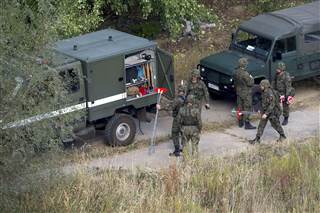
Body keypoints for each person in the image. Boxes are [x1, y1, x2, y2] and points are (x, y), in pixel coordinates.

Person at [249, 80, 286, 144]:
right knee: (261, 125)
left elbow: (272, 104)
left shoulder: (270, 93)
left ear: (265, 86)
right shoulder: (264, 92)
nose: (260, 87)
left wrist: (266, 114)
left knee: (276, 125)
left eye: (262, 85)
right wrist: (260, 110)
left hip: (272, 112)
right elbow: (264, 103)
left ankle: (282, 136)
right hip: (266, 111)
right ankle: (257, 139)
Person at [157, 85, 186, 156]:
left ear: (178, 91)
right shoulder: (185, 98)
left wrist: (160, 107)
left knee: (175, 133)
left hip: (178, 119)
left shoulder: (177, 99)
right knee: (183, 133)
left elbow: (171, 107)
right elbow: (172, 103)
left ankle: (177, 151)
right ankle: (185, 149)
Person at [233, 57, 256, 129]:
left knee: (240, 107)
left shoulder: (236, 72)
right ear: (244, 65)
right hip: (246, 93)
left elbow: (235, 82)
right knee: (247, 107)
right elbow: (250, 83)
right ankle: (247, 123)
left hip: (239, 92)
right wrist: (252, 78)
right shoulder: (245, 74)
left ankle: (240, 122)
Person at [272, 61, 295, 126]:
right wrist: (272, 91)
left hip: (284, 93)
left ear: (282, 69)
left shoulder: (286, 76)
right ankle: (276, 117)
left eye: (278, 68)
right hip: (277, 92)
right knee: (275, 105)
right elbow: (274, 82)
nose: (277, 69)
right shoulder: (276, 74)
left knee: (285, 106)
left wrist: (287, 97)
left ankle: (286, 118)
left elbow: (288, 87)